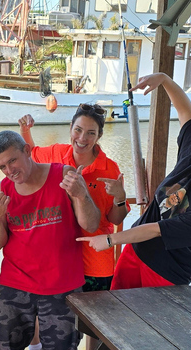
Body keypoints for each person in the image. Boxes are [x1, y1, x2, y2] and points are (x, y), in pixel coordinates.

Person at [79, 72, 191, 289]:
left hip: (167, 272)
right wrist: (165, 80)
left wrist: (110, 240)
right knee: (115, 310)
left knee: (146, 322)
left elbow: (158, 229)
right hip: (136, 249)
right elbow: (186, 111)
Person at [19, 106, 129, 350]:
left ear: (99, 136)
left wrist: (120, 197)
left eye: (91, 133)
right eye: (78, 130)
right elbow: (33, 155)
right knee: (56, 322)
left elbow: (115, 215)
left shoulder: (110, 169)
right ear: (70, 129)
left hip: (96, 258)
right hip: (62, 256)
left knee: (95, 325)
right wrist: (25, 131)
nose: (82, 138)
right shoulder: (58, 153)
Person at [0, 130, 101, 350]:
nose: (9, 171)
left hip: (62, 282)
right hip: (15, 281)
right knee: (0, 344)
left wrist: (80, 195)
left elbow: (91, 224)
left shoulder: (64, 176)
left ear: (27, 150)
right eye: (2, 167)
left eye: (12, 161)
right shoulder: (2, 190)